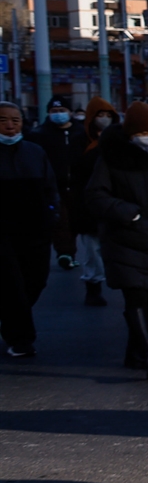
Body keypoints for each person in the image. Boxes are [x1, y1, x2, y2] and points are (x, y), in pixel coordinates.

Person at [84, 102, 148, 378]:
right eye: (142, 133)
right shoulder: (111, 158)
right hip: (123, 238)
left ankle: (134, 353)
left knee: (147, 298)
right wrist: (127, 212)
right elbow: (95, 196)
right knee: (135, 295)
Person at [0, 101, 59, 358]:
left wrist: (53, 214)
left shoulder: (35, 152)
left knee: (36, 280)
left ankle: (11, 320)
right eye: (3, 120)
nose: (10, 125)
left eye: (15, 120)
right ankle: (21, 339)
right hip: (3, 234)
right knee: (12, 285)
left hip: (36, 230)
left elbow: (50, 188)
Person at [69, 98, 122, 307]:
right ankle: (93, 285)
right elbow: (76, 169)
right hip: (88, 203)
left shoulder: (120, 138)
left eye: (109, 115)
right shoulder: (80, 141)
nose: (105, 119)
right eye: (100, 115)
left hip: (115, 200)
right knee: (92, 249)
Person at [28, 98, 83, 270]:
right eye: (54, 111)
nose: (58, 114)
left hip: (78, 185)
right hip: (53, 186)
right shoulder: (39, 134)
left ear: (70, 112)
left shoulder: (81, 132)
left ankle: (71, 251)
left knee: (75, 220)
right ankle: (65, 253)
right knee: (60, 220)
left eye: (62, 111)